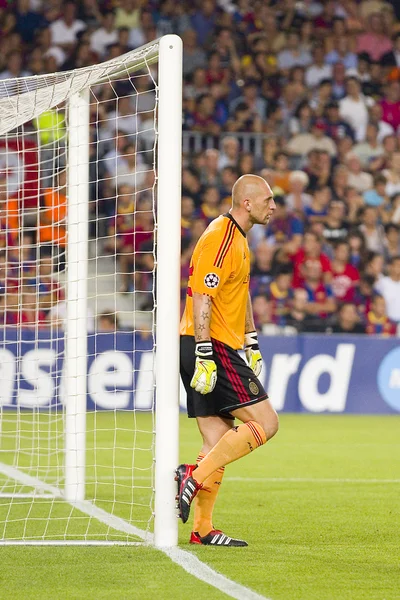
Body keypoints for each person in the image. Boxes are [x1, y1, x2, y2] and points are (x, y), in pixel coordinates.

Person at [177, 174, 279, 546]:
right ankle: (193, 475)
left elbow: (239, 291)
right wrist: (205, 353)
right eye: (268, 199)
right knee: (266, 423)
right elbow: (202, 294)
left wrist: (251, 341)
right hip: (209, 344)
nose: (273, 206)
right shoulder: (221, 236)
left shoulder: (238, 238)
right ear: (247, 203)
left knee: (216, 439)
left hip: (209, 342)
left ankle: (202, 529)